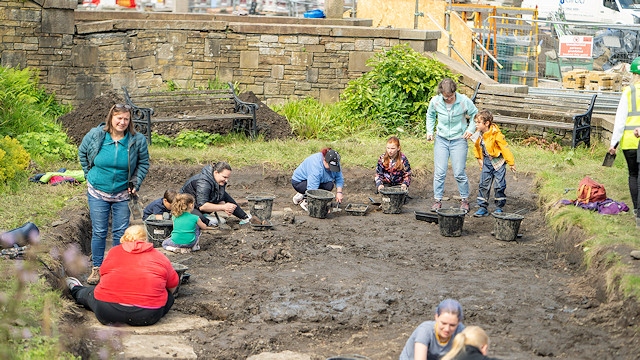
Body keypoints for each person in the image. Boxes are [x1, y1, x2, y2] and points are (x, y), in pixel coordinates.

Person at [78, 103, 150, 285]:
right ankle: (97, 268)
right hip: (97, 191)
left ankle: (116, 268)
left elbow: (143, 164)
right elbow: (82, 153)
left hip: (122, 193)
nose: (123, 122)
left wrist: (135, 182)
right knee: (100, 231)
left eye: (126, 119)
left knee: (120, 232)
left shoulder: (137, 140)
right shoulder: (96, 135)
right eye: (119, 118)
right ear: (111, 118)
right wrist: (89, 174)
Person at [65, 225, 179, 326]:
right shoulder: (159, 256)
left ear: (124, 238)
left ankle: (75, 288)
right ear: (145, 239)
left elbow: (102, 275)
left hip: (108, 312)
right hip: (147, 315)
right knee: (168, 297)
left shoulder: (114, 252)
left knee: (90, 294)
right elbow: (173, 284)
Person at [426, 78, 478, 213]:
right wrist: (429, 131)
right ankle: (437, 200)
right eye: (446, 97)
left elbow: (475, 115)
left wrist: (470, 130)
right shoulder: (436, 101)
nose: (448, 99)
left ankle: (464, 200)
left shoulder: (463, 101)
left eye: (451, 96)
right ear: (441, 93)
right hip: (442, 139)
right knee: (440, 172)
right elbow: (430, 115)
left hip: (459, 139)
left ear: (455, 92)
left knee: (459, 172)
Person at [610, 56, 640, 228]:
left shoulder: (628, 92)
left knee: (633, 175)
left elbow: (620, 121)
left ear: (633, 74)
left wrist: (614, 143)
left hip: (629, 142)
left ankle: (636, 210)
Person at [471, 110, 516, 217]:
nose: (476, 124)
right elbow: (477, 147)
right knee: (484, 184)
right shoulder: (479, 134)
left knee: (499, 184)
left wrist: (511, 163)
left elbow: (505, 148)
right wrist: (479, 159)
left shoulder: (496, 134)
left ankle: (499, 207)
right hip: (487, 161)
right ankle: (482, 207)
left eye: (478, 122)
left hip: (498, 162)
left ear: (486, 123)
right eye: (475, 122)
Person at [180, 161, 252, 226]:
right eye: (224, 177)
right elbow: (202, 206)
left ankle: (245, 217)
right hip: (187, 207)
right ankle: (207, 220)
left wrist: (226, 206)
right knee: (201, 219)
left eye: (228, 178)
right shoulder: (203, 182)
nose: (226, 180)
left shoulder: (219, 180)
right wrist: (223, 207)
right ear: (216, 172)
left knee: (226, 196)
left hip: (200, 203)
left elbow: (221, 196)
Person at [399, 299, 466, 360]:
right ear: (436, 317)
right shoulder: (425, 331)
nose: (447, 329)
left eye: (452, 325)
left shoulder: (461, 331)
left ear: (459, 322)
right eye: (443, 323)